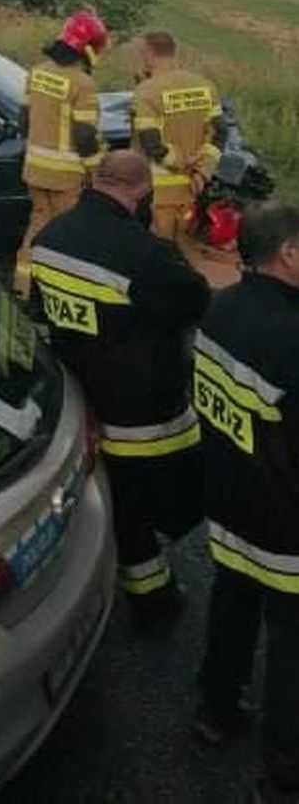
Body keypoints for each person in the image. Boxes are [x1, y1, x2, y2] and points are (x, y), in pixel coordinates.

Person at [30, 151, 211, 626]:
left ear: (94, 181)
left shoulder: (48, 239)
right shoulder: (143, 254)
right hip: (147, 418)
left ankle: (149, 592)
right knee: (174, 499)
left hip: (83, 405)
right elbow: (195, 301)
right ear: (141, 192)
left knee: (123, 510)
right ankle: (156, 604)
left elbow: (41, 317)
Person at [194, 203, 299, 801]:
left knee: (231, 606)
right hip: (286, 530)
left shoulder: (220, 309)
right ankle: (284, 770)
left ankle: (215, 710)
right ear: (287, 254)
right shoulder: (291, 338)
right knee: (291, 651)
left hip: (230, 506)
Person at [14, 10, 109, 297]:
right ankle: (63, 292)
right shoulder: (83, 84)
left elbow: (23, 120)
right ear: (90, 49)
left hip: (34, 170)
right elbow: (84, 135)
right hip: (66, 177)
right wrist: (94, 169)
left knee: (38, 224)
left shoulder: (37, 72)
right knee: (70, 235)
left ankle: (23, 287)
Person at [132, 31, 227, 256]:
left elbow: (151, 144)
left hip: (158, 191)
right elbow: (219, 133)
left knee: (158, 254)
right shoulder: (205, 86)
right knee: (187, 249)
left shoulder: (147, 91)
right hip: (192, 188)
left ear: (148, 55)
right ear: (174, 53)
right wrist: (202, 171)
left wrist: (183, 163)